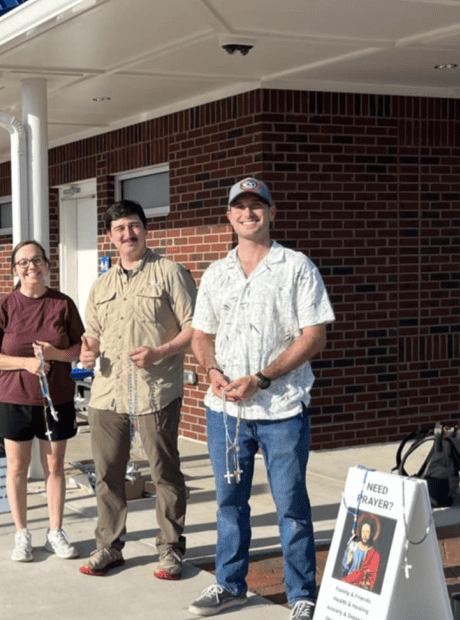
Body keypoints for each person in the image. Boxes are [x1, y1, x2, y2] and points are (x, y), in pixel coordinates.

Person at [188, 177, 334, 620]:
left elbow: (315, 336)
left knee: (291, 506)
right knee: (229, 502)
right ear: (229, 217)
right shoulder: (217, 272)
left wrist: (263, 378)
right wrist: (211, 370)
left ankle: (301, 593)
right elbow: (200, 335)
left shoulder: (296, 267)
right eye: (240, 207)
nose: (248, 213)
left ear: (272, 213)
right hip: (225, 412)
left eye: (257, 206)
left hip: (282, 409)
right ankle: (229, 583)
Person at [77, 200, 197, 580]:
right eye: (119, 229)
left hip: (154, 389)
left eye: (133, 226)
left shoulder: (170, 273)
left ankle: (170, 550)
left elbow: (195, 328)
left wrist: (161, 351)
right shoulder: (101, 285)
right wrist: (87, 352)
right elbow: (92, 337)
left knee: (164, 471)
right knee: (107, 472)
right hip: (108, 391)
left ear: (146, 229)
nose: (127, 234)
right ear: (110, 237)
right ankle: (109, 548)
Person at [0, 240, 84, 563]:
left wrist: (55, 354)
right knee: (17, 468)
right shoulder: (5, 306)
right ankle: (22, 533)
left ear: (46, 265)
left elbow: (80, 349)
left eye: (36, 260)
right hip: (15, 398)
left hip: (56, 399)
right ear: (15, 270)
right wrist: (25, 363)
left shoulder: (63, 304)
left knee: (55, 467)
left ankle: (55, 531)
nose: (31, 267)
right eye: (23, 262)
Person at [341, 515, 381, 591]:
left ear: (372, 533)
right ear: (360, 532)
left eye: (367, 532)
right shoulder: (353, 547)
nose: (365, 535)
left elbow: (371, 575)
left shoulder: (374, 554)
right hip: (347, 585)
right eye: (363, 531)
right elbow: (344, 570)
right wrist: (348, 562)